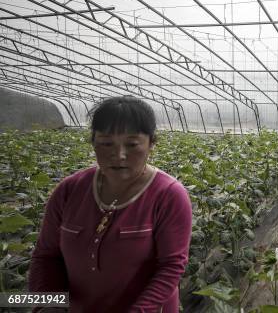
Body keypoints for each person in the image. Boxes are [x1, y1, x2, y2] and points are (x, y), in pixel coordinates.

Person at [29, 96, 192, 312]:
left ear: (152, 143)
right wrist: (47, 306)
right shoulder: (69, 190)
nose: (119, 155)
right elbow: (47, 256)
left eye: (132, 144)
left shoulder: (169, 195)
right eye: (106, 143)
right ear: (93, 142)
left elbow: (171, 266)